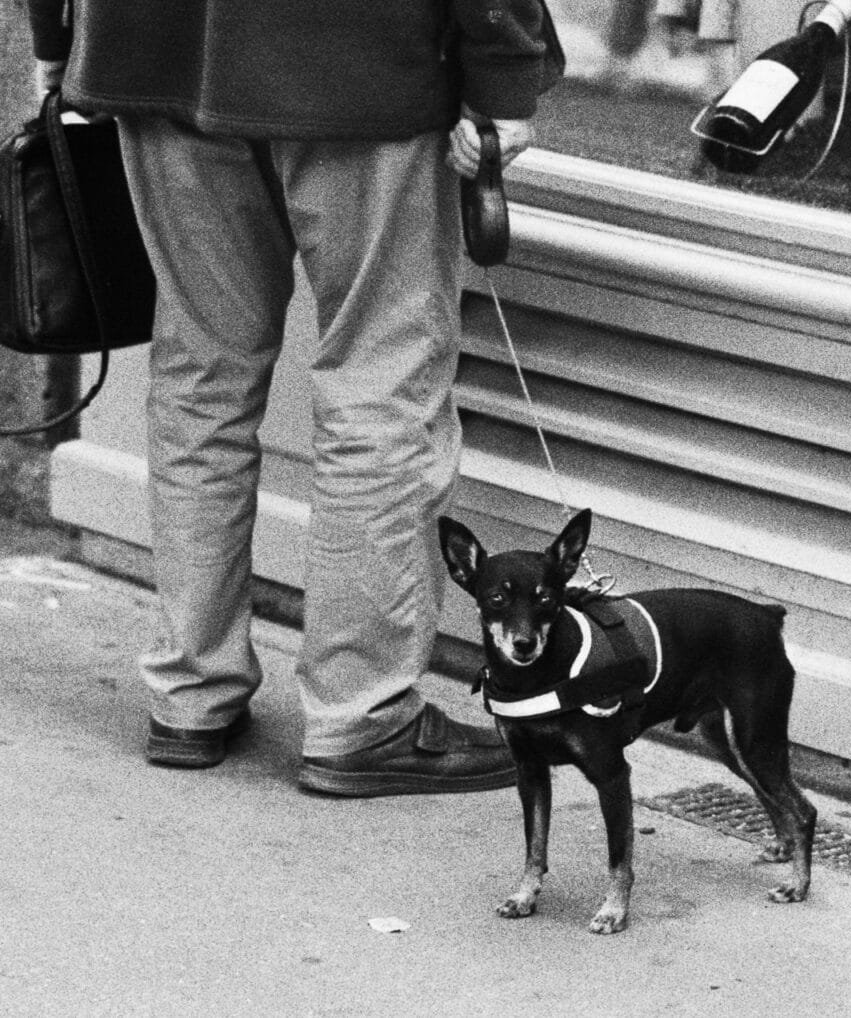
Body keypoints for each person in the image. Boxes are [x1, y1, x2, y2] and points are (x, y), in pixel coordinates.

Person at [24, 0, 564, 795]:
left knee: (200, 379)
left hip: (150, 47)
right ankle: (362, 714)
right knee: (379, 382)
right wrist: (504, 76)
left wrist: (57, 36)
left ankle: (190, 691)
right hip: (360, 66)